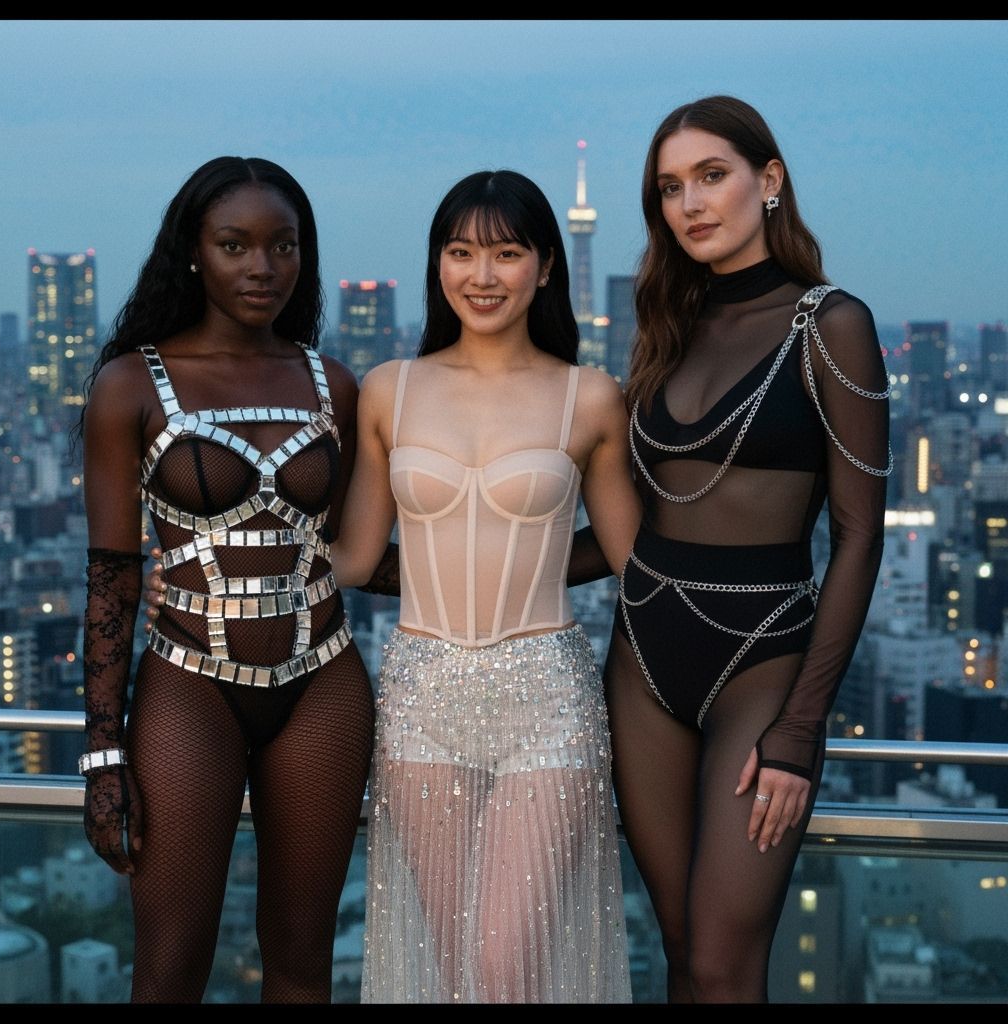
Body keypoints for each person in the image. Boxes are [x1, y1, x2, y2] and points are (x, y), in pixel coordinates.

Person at [601, 96, 891, 1002]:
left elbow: (858, 536)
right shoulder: (667, 327)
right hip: (641, 657)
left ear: (769, 181)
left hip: (765, 662)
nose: (690, 203)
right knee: (682, 955)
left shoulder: (831, 323)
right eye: (669, 187)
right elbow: (648, 516)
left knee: (728, 967)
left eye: (711, 176)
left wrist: (801, 730)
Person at [328, 169, 640, 1002]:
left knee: (507, 967)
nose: (483, 274)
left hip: (548, 696)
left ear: (546, 265)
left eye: (506, 253)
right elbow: (356, 559)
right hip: (422, 694)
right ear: (438, 265)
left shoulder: (590, 397)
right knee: (456, 960)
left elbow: (630, 556)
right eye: (461, 252)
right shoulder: (391, 389)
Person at [78, 156, 375, 1002]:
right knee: (170, 969)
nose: (262, 267)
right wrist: (104, 757)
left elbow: (360, 551)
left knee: (301, 965)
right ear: (195, 252)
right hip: (187, 682)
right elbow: (110, 582)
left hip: (324, 677)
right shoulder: (132, 385)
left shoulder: (335, 385)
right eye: (235, 244)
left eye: (284, 246)